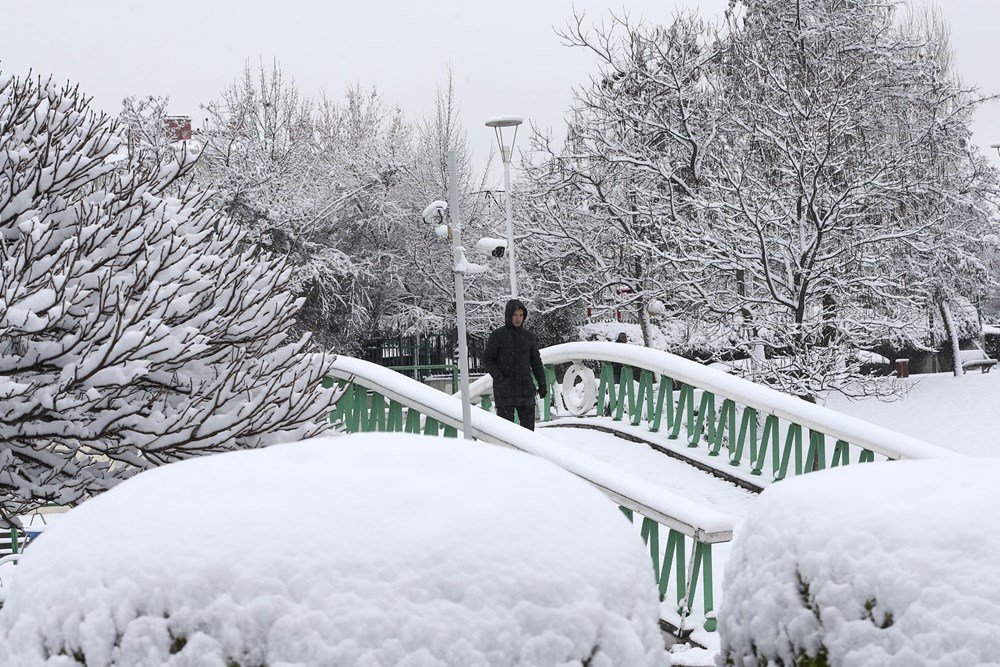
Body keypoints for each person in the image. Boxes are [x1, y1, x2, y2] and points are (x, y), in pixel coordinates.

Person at [483, 298, 547, 431]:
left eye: (521, 315)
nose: (518, 319)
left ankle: (527, 453)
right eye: (515, 315)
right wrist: (500, 378)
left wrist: (542, 384)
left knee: (528, 432)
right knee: (507, 433)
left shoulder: (528, 337)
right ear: (508, 315)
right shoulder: (497, 336)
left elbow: (536, 362)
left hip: (526, 390)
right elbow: (488, 360)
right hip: (505, 392)